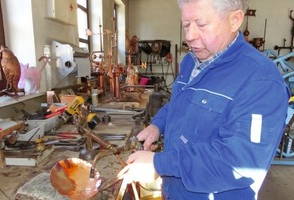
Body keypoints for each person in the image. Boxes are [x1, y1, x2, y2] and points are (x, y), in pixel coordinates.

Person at [123, 0, 290, 199]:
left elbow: (238, 162)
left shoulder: (261, 81)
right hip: (174, 191)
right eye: (186, 24)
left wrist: (160, 164)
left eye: (201, 24)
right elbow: (178, 104)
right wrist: (157, 126)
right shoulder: (190, 62)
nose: (189, 36)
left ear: (235, 20)